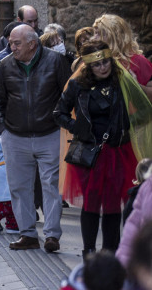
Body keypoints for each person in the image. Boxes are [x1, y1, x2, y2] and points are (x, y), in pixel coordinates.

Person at [56, 41, 152, 257]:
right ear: (88, 66)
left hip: (118, 150)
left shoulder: (122, 81)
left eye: (106, 61)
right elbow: (58, 113)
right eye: (97, 64)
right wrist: (78, 128)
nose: (103, 67)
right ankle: (89, 251)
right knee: (91, 203)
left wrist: (126, 123)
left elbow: (146, 111)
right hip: (90, 152)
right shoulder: (77, 84)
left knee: (113, 205)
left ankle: (112, 251)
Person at [0, 24, 72, 252]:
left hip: (50, 133)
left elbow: (67, 94)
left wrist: (62, 123)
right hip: (15, 136)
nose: (12, 47)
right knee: (19, 187)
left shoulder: (55, 62)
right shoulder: (5, 65)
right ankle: (27, 234)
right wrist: (3, 131)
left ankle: (52, 236)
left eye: (16, 43)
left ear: (32, 44)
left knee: (52, 186)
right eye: (10, 43)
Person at [93, 14, 152, 101]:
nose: (94, 38)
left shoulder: (138, 61)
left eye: (100, 34)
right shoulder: (94, 61)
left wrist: (137, 87)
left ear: (116, 37)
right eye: (95, 33)